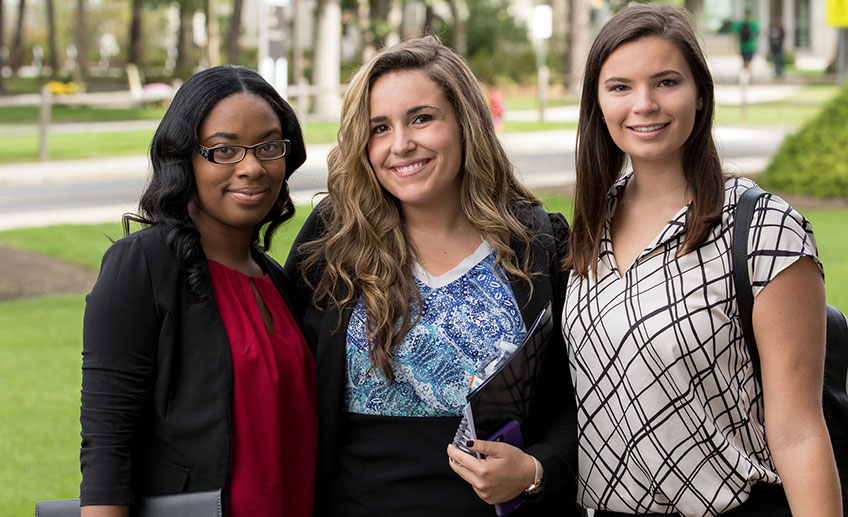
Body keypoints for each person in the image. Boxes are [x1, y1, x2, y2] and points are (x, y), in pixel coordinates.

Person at [562, 4, 842, 517]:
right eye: (620, 86)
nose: (643, 104)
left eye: (666, 82)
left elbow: (799, 432)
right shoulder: (585, 231)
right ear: (597, 103)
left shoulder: (763, 229)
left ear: (701, 94)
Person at [285, 36, 581, 517]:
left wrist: (536, 470)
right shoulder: (333, 244)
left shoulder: (536, 244)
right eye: (379, 127)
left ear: (465, 123)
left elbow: (582, 399)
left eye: (421, 117)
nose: (401, 144)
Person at [79, 65, 316, 517]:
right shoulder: (144, 266)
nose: (251, 167)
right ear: (184, 158)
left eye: (268, 146)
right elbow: (107, 449)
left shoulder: (277, 281)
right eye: (224, 150)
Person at [734, 9, 759, 79]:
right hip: (751, 46)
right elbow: (757, 33)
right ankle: (746, 77)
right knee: (748, 62)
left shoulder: (740, 24)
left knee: (745, 62)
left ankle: (744, 76)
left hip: (742, 46)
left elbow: (735, 34)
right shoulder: (753, 24)